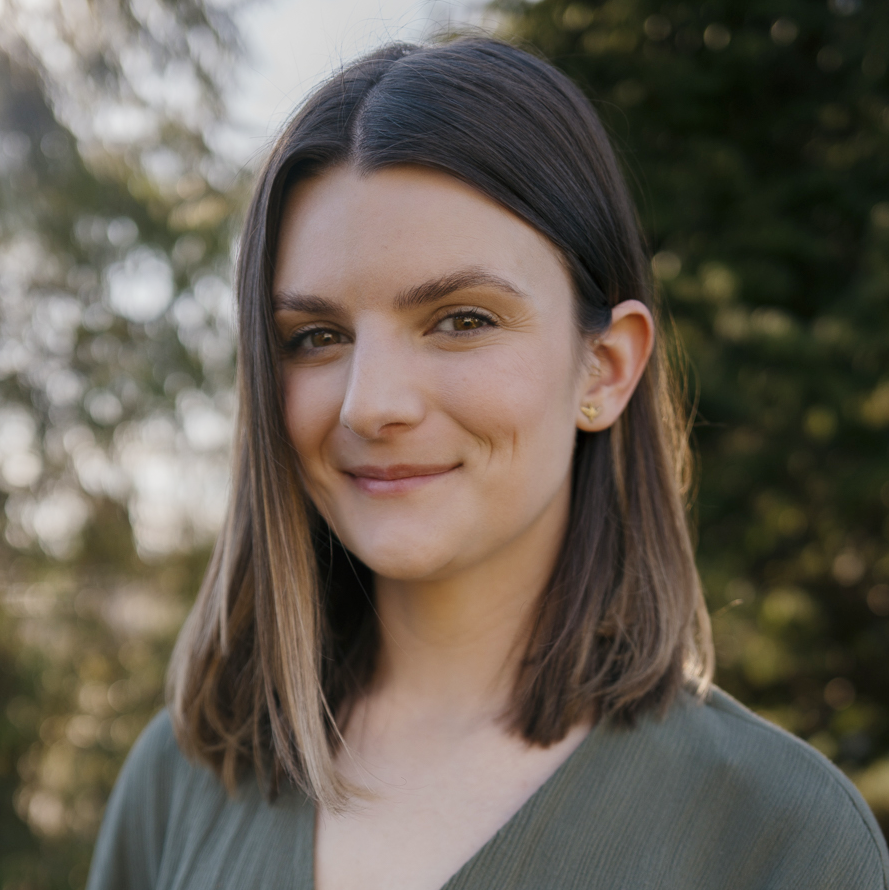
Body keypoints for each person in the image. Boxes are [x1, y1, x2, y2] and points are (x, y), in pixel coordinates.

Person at [85, 37, 889, 890]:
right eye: (315, 338)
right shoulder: (182, 781)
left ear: (606, 367)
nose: (370, 404)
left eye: (461, 319)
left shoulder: (781, 838)